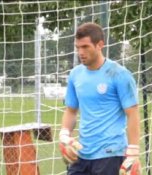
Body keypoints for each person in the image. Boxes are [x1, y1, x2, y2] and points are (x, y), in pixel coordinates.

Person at [59, 22, 141, 175]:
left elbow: (133, 113)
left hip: (110, 154)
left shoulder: (119, 74)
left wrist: (133, 151)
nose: (80, 52)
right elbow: (71, 110)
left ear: (99, 45)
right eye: (78, 47)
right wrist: (64, 135)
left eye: (85, 47)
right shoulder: (75, 75)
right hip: (81, 153)